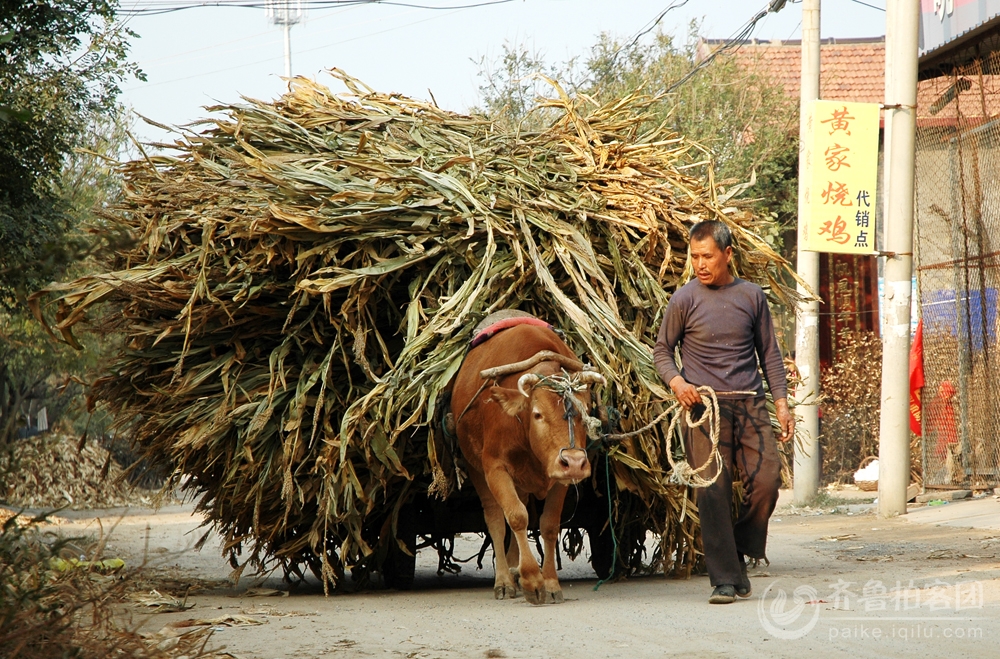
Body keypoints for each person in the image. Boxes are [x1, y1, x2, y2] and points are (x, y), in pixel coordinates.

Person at [653, 220, 795, 605]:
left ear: (727, 255)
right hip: (703, 409)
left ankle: (738, 549)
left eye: (707, 256)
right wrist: (677, 383)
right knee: (712, 491)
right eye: (694, 257)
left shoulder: (751, 297)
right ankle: (725, 580)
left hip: (749, 403)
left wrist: (781, 403)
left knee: (767, 480)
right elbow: (662, 351)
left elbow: (770, 354)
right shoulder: (684, 299)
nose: (700, 264)